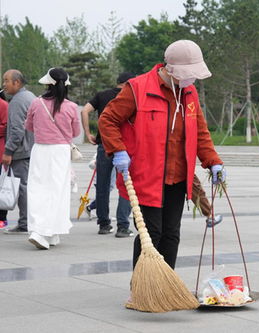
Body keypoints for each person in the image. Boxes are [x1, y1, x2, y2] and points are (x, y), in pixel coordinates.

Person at [99, 39, 224, 270]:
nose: (192, 79)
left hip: (177, 177)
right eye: (189, 74)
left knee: (171, 235)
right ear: (171, 69)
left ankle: (167, 286)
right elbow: (108, 119)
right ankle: (142, 288)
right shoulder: (137, 88)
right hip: (146, 176)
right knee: (151, 235)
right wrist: (118, 150)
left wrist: (213, 162)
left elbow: (200, 131)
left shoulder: (189, 93)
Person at [23, 68, 81, 249]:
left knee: (37, 189)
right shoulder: (71, 106)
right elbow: (76, 132)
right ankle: (52, 231)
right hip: (61, 152)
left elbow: (29, 126)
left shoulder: (36, 103)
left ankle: (40, 231)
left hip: (41, 150)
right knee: (58, 191)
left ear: (47, 83)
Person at [81, 72, 136, 237]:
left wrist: (88, 133)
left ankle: (104, 224)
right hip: (124, 146)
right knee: (125, 185)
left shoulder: (102, 95)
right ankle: (122, 225)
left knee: (103, 185)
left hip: (104, 145)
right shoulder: (132, 97)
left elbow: (85, 111)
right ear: (130, 83)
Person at [2, 70, 35, 234]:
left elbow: (16, 131)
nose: (4, 84)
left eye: (6, 80)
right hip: (32, 148)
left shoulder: (17, 101)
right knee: (27, 187)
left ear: (17, 82)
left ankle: (25, 223)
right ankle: (28, 221)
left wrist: (8, 151)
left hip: (21, 151)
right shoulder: (30, 96)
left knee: (22, 188)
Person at [0, 91, 8, 228]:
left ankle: (2, 217)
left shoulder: (4, 105)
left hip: (1, 150)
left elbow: (6, 127)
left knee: (1, 186)